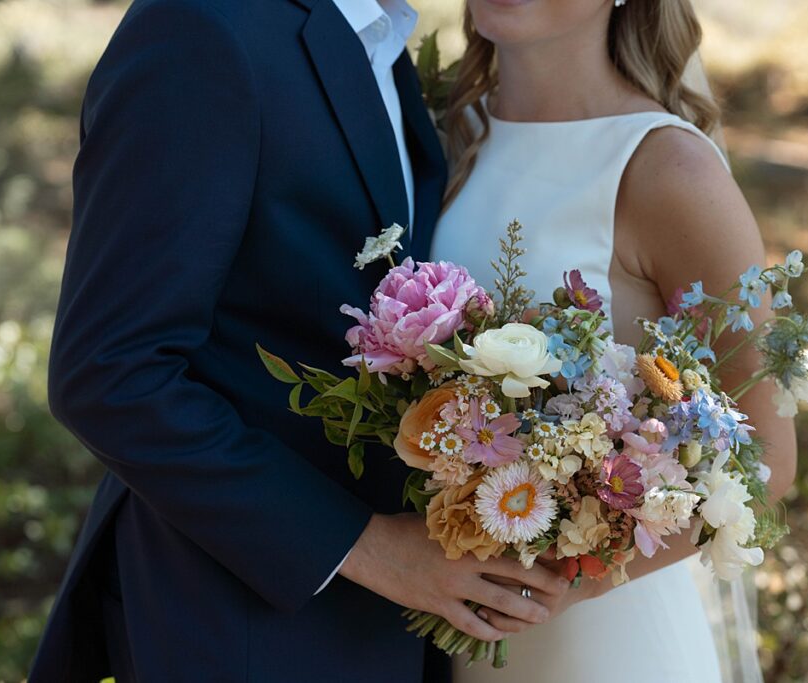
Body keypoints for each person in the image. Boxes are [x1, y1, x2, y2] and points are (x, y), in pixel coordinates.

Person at [29, 0, 568, 680]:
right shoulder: (201, 29)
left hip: (382, 627)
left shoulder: (379, 39)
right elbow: (110, 373)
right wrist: (368, 548)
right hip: (238, 624)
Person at [430, 0, 798, 680]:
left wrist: (574, 578)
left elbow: (769, 459)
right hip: (447, 624)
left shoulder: (670, 170)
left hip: (603, 640)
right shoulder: (444, 134)